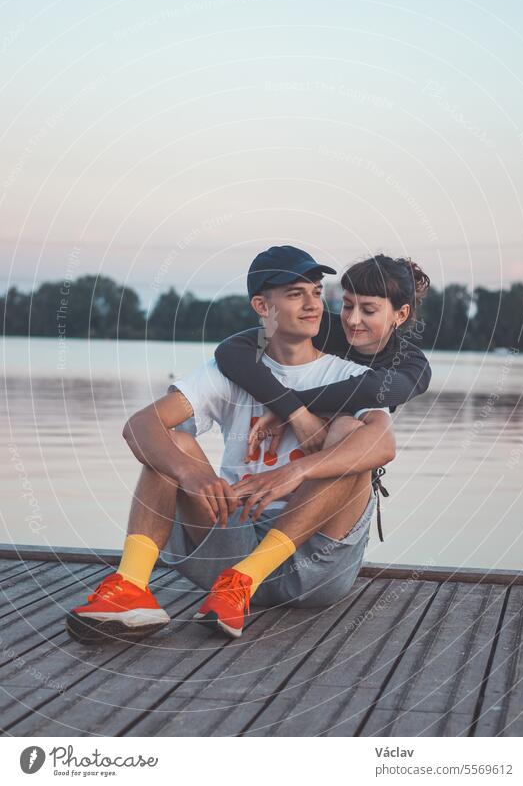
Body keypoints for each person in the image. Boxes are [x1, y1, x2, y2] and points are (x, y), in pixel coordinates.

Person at [66, 245, 396, 642]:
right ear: (262, 305)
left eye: (315, 290)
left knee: (352, 444)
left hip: (314, 561)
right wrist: (189, 473)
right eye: (296, 294)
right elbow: (139, 426)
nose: (313, 304)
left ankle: (246, 580)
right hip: (230, 543)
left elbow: (382, 446)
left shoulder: (348, 374)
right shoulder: (227, 371)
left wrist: (294, 472)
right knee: (171, 444)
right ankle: (132, 587)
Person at [214, 250, 432, 539]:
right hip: (279, 480)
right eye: (346, 305)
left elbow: (370, 389)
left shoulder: (412, 365)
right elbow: (231, 350)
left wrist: (288, 405)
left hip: (340, 488)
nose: (353, 321)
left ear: (400, 314)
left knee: (348, 428)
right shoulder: (326, 328)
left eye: (368, 310)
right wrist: (292, 411)